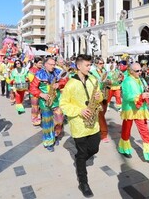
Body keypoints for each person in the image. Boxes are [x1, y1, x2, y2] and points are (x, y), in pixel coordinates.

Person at [60, 54, 103, 198]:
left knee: (94, 148)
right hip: (79, 125)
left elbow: (99, 95)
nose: (90, 67)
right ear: (78, 66)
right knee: (83, 153)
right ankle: (83, 183)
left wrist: (99, 97)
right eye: (87, 65)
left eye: (90, 65)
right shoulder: (70, 84)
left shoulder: (93, 79)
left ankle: (80, 159)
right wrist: (79, 110)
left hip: (93, 123)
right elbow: (64, 104)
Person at [118, 62, 149, 163]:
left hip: (140, 109)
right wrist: (140, 96)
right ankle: (123, 148)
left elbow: (142, 92)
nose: (140, 72)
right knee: (126, 130)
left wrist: (148, 93)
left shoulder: (140, 79)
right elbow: (126, 96)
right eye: (137, 71)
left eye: (140, 70)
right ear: (130, 71)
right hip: (129, 109)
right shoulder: (126, 81)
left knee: (144, 130)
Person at [29, 57, 67, 152]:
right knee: (47, 123)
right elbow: (32, 88)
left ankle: (55, 134)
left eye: (54, 64)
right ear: (45, 64)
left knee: (59, 119)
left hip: (56, 100)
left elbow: (65, 80)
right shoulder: (39, 74)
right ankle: (48, 142)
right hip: (44, 101)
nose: (53, 66)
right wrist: (41, 94)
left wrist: (59, 84)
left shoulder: (58, 71)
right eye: (51, 64)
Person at [90, 57, 110, 143]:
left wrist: (110, 81)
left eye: (103, 63)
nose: (102, 65)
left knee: (102, 114)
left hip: (105, 94)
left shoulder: (105, 71)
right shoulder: (93, 72)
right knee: (101, 115)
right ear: (96, 64)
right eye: (100, 63)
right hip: (97, 95)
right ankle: (104, 134)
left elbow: (109, 80)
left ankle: (98, 129)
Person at [28, 57, 44, 126]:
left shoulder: (41, 70)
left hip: (41, 91)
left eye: (41, 63)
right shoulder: (31, 71)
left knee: (40, 106)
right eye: (40, 63)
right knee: (35, 106)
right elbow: (31, 81)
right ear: (35, 63)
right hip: (34, 92)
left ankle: (39, 119)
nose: (41, 64)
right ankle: (35, 120)